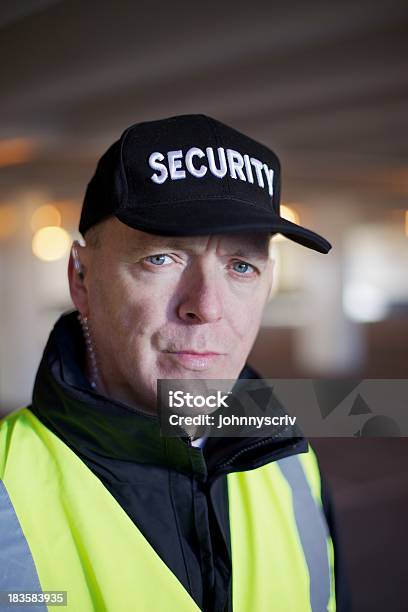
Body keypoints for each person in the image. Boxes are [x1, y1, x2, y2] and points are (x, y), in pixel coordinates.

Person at [0, 114, 349, 611]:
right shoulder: (7, 491)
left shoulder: (293, 466)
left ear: (267, 284)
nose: (205, 305)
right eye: (162, 258)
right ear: (81, 278)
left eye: (241, 266)